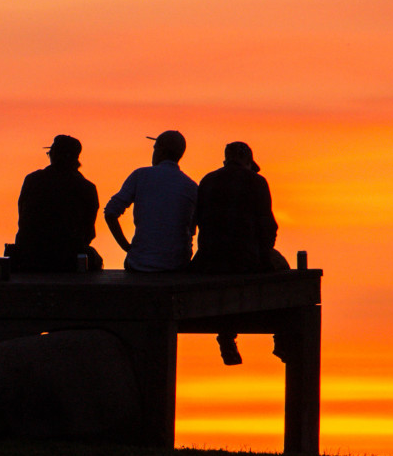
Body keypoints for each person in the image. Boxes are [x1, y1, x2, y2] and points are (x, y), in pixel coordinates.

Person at [191, 141, 289, 365]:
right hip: (246, 260)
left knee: (225, 284)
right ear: (248, 162)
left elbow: (196, 222)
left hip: (209, 261)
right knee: (285, 273)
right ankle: (281, 338)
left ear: (225, 160)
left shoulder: (207, 181)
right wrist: (264, 254)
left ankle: (226, 337)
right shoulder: (257, 182)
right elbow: (269, 226)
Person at [103, 130, 198, 271]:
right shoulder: (191, 186)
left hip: (139, 264)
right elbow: (192, 230)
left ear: (160, 151)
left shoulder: (140, 176)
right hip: (177, 266)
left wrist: (127, 248)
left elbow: (110, 213)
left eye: (154, 148)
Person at [11, 134, 103, 272]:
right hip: (67, 259)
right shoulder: (87, 187)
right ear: (76, 159)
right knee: (94, 258)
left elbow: (22, 220)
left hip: (29, 257)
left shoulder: (32, 180)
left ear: (53, 155)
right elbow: (88, 233)